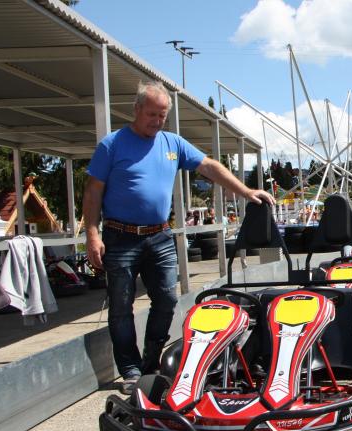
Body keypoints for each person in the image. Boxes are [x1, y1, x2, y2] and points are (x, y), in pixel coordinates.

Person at [83, 81, 274, 394]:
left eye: (162, 116)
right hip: (120, 237)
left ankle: (150, 362)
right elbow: (92, 192)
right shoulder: (112, 145)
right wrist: (92, 234)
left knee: (168, 299)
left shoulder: (172, 143)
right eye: (151, 115)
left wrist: (245, 191)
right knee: (121, 306)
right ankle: (130, 370)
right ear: (136, 110)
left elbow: (209, 166)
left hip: (160, 236)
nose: (157, 121)